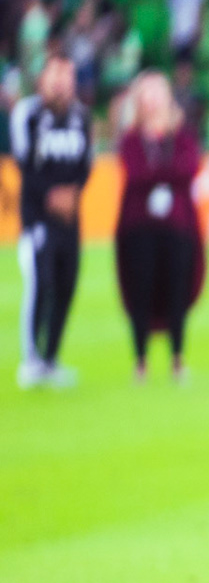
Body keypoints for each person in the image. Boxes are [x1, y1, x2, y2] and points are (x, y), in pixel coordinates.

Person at [114, 71, 204, 384]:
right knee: (141, 287)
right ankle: (140, 361)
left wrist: (160, 174)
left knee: (176, 287)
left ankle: (178, 358)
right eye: (147, 93)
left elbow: (189, 167)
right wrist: (165, 175)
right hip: (140, 226)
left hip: (177, 225)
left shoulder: (181, 136)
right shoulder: (131, 138)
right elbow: (135, 172)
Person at [12, 52, 90, 389]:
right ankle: (31, 359)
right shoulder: (27, 114)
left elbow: (86, 164)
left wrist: (73, 194)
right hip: (37, 218)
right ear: (42, 79)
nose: (61, 83)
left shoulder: (81, 116)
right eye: (55, 75)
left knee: (66, 285)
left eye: (67, 76)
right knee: (40, 284)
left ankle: (52, 359)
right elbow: (23, 163)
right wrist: (51, 195)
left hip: (71, 220)